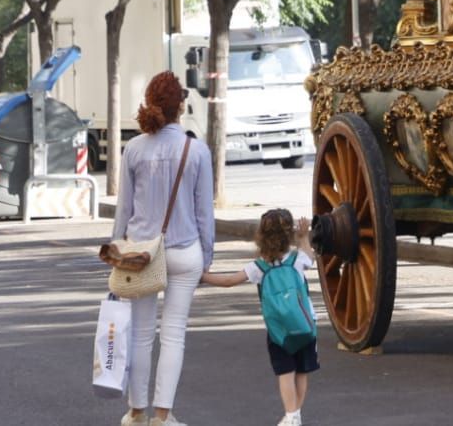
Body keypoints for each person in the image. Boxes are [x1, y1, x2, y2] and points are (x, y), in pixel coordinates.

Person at [111, 71, 215, 426]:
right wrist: (207, 258)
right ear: (180, 106)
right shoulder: (196, 149)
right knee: (174, 336)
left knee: (140, 334)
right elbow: (205, 213)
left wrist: (116, 250)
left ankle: (136, 412)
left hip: (140, 254)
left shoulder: (134, 149)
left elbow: (124, 209)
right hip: (185, 252)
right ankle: (163, 416)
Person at [201, 210, 319, 426]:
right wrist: (303, 238)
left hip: (279, 331)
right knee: (302, 371)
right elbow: (310, 258)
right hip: (305, 324)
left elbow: (228, 280)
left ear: (261, 237)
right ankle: (295, 415)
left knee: (285, 371)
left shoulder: (259, 267)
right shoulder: (296, 260)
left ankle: (291, 415)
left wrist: (202, 276)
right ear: (288, 235)